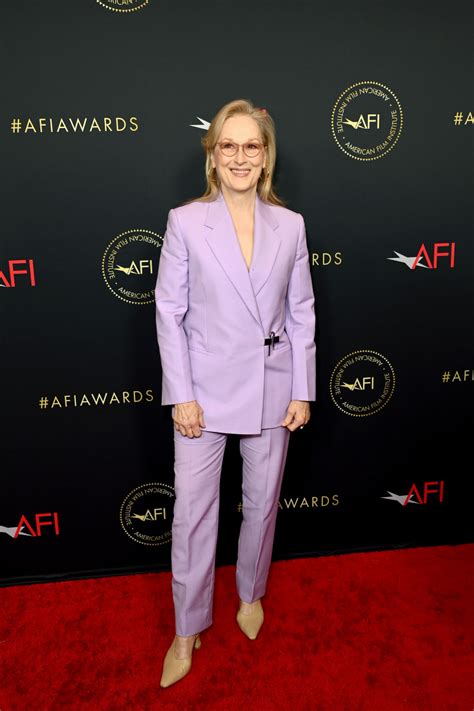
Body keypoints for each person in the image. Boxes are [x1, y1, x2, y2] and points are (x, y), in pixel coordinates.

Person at [154, 98, 316, 688]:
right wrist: (182, 395)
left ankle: (251, 592)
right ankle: (186, 626)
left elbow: (301, 312)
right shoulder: (186, 221)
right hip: (204, 395)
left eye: (252, 146)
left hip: (273, 393)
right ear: (213, 156)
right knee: (193, 516)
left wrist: (302, 388)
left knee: (263, 504)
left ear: (265, 156)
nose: (241, 156)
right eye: (229, 145)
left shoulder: (291, 225)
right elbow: (169, 313)